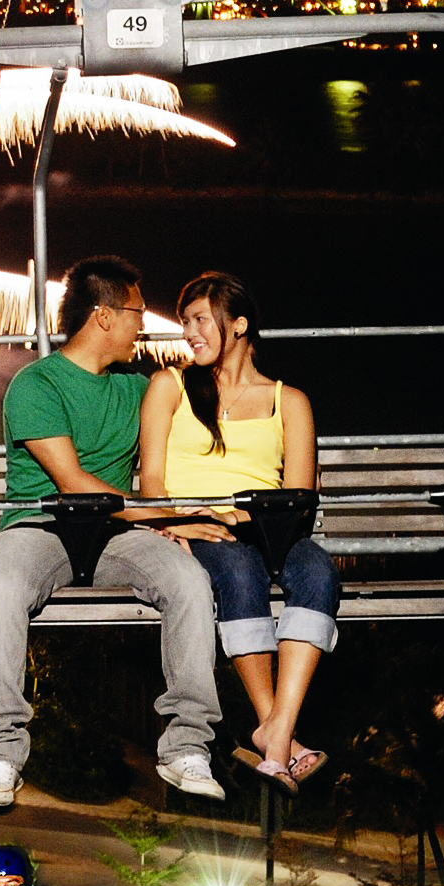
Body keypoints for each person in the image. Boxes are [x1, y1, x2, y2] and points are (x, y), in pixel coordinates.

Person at [0, 254, 224, 810]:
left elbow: (214, 405)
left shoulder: (137, 389)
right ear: (104, 316)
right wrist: (170, 518)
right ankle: (1, 753)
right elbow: (76, 485)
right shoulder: (35, 385)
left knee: (187, 579)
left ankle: (187, 747)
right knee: (3, 582)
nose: (144, 325)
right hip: (42, 524)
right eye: (136, 311)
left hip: (115, 536)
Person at [138, 270, 334, 791]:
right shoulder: (171, 387)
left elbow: (297, 497)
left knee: (317, 570)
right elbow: (151, 480)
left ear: (239, 325)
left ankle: (277, 730)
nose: (190, 332)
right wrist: (187, 520)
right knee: (239, 568)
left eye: (200, 320)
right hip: (198, 529)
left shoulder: (288, 401)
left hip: (266, 528)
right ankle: (282, 742)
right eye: (185, 322)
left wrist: (245, 519)